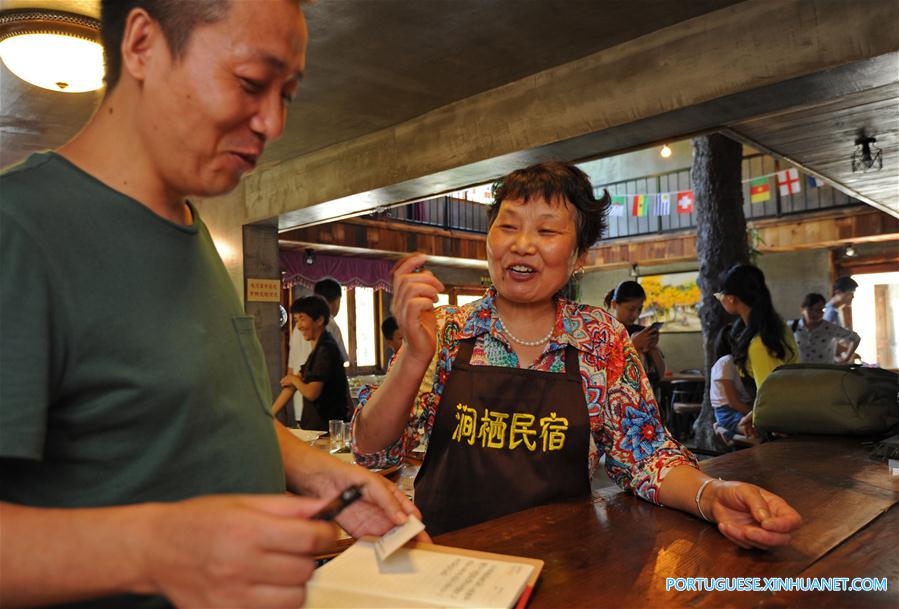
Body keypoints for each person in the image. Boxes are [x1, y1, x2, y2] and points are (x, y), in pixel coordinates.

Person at [0, 2, 420, 607]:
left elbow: (204, 418)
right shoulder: (21, 230)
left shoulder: (192, 231)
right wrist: (157, 548)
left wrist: (318, 471)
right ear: (143, 44)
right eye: (251, 83)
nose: (273, 122)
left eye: (288, 94)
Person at [352, 160, 801, 547]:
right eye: (508, 225)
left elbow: (644, 456)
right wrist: (413, 355)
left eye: (546, 230)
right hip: (446, 559)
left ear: (579, 255)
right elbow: (375, 455)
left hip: (565, 564)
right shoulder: (446, 332)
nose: (522, 244)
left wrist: (711, 495)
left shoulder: (601, 338)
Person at [714, 264, 799, 436]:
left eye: (719, 294)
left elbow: (771, 396)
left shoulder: (759, 344)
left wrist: (755, 416)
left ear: (731, 299)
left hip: (781, 427)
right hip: (791, 415)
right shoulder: (780, 328)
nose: (719, 298)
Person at [280, 297, 353, 430]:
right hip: (315, 426)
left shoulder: (326, 349)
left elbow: (311, 392)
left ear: (319, 320)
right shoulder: (317, 349)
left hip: (327, 428)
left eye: (302, 319)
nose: (299, 326)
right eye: (296, 320)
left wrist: (293, 380)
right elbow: (295, 382)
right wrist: (268, 415)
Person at [603, 281, 666, 388]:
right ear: (614, 304)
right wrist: (632, 346)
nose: (636, 314)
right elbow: (603, 375)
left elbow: (660, 375)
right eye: (631, 309)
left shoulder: (640, 331)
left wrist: (652, 348)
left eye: (640, 309)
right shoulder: (604, 332)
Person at [710, 325, 755, 445]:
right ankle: (725, 431)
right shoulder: (726, 362)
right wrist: (757, 414)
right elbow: (733, 402)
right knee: (758, 433)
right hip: (728, 412)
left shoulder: (739, 362)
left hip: (742, 407)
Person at [793, 293, 861, 364]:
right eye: (811, 309)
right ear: (802, 310)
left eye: (820, 310)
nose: (815, 313)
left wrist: (846, 358)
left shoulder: (830, 328)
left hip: (824, 372)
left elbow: (855, 338)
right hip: (799, 372)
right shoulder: (792, 326)